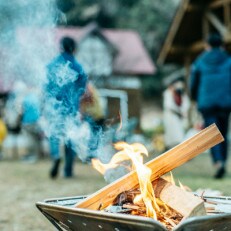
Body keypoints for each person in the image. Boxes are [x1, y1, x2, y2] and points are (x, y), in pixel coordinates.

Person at [44, 36, 87, 178]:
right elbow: (82, 88)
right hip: (71, 107)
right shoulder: (77, 66)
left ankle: (56, 156)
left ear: (61, 47)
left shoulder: (52, 65)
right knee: (71, 137)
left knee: (54, 134)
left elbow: (47, 85)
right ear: (74, 48)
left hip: (55, 106)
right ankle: (68, 170)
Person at [189, 33, 231, 179]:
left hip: (207, 103)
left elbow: (193, 83)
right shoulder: (228, 59)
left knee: (212, 134)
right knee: (223, 133)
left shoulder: (200, 61)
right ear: (221, 45)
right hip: (225, 103)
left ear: (207, 45)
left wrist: (194, 98)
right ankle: (223, 161)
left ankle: (218, 162)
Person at [163, 76, 190, 149]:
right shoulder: (168, 92)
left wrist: (182, 112)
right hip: (171, 116)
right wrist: (178, 111)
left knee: (180, 135)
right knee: (171, 136)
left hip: (179, 118)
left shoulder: (182, 94)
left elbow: (186, 104)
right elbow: (168, 105)